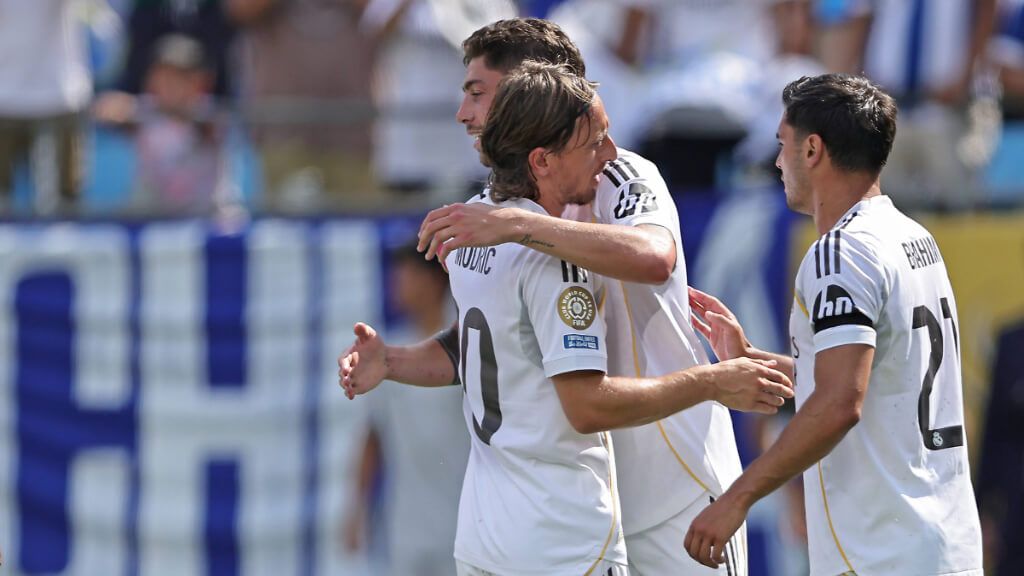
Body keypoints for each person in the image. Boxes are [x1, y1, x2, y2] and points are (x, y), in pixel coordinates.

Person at [340, 61, 793, 575]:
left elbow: (652, 258)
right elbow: (582, 402)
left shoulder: (497, 223)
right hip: (568, 527)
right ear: (543, 156)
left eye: (480, 93)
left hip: (547, 517)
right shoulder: (525, 242)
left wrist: (395, 359)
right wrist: (713, 381)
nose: (468, 113)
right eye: (595, 139)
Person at [683, 73, 984, 575]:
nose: (778, 162)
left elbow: (842, 401)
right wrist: (753, 361)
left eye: (782, 145)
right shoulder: (913, 237)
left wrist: (737, 498)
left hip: (882, 552)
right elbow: (881, 378)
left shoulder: (840, 253)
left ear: (812, 149)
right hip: (941, 541)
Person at [343, 242, 469, 576]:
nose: (396, 282)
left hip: (465, 520)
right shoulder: (388, 351)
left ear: (434, 281)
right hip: (406, 525)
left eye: (407, 273)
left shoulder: (468, 346)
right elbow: (373, 435)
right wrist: (356, 509)